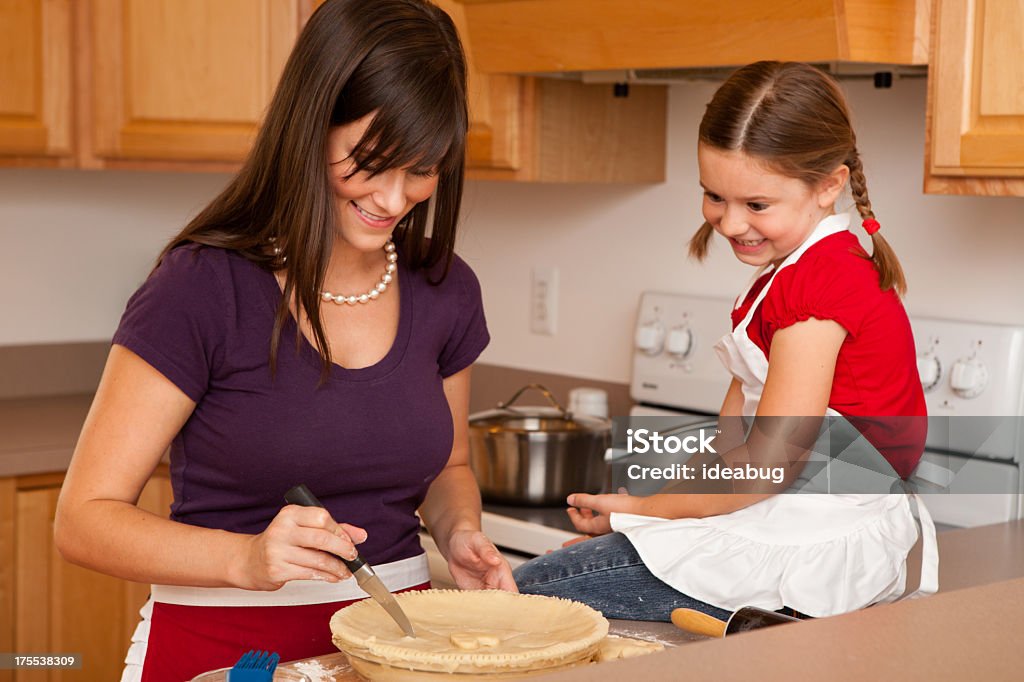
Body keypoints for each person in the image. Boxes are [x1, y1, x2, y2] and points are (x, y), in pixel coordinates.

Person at [54, 1, 515, 679]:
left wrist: (459, 532)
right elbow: (83, 522)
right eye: (371, 161)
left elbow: (446, 468)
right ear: (313, 122)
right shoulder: (201, 287)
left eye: (422, 170)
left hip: (392, 650)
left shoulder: (445, 288)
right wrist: (244, 559)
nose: (393, 199)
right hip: (220, 649)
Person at [513, 61, 937, 623]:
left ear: (828, 186)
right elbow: (730, 445)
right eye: (715, 195)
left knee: (528, 590)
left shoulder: (819, 287)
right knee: (554, 580)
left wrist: (642, 511)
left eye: (756, 205)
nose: (732, 223)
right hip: (786, 516)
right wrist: (644, 521)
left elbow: (766, 466)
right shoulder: (790, 276)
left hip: (819, 540)